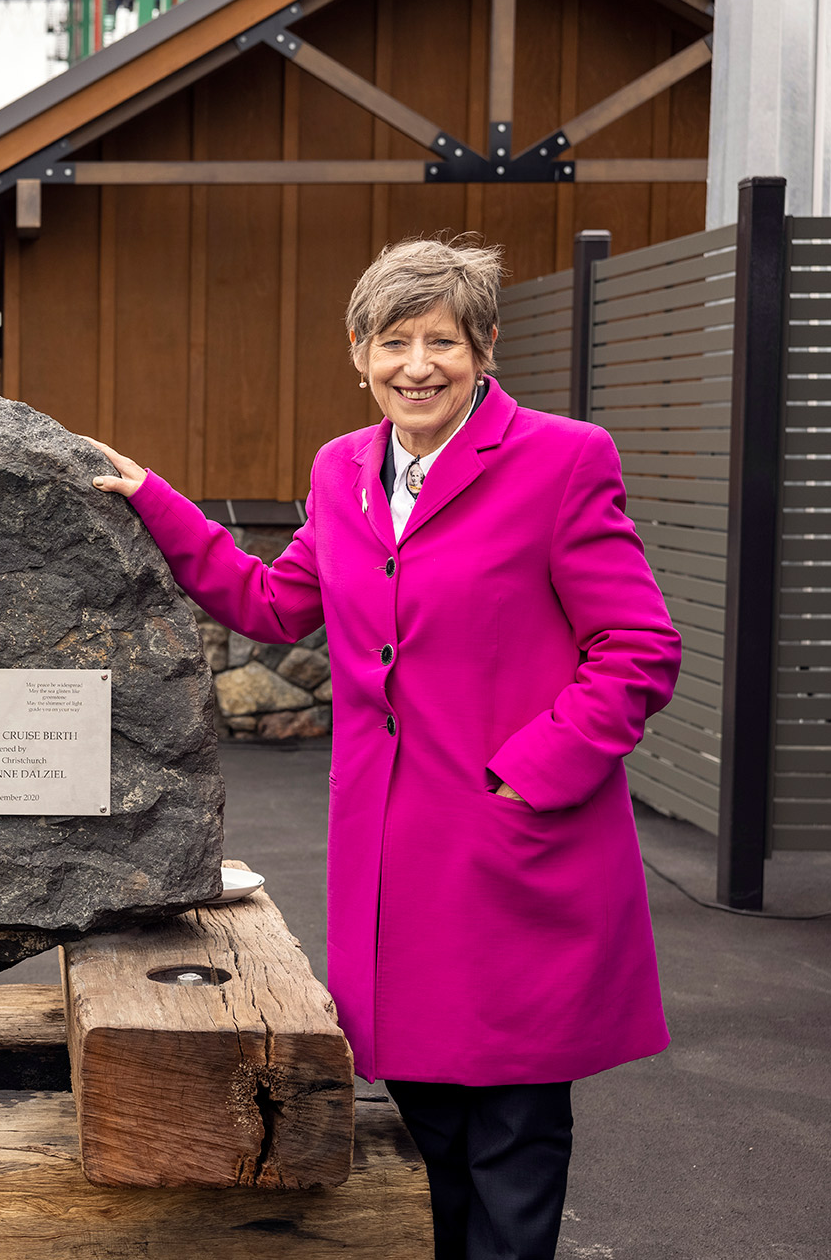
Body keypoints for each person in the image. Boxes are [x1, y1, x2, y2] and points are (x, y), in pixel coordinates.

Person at [86, 238, 681, 1260]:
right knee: (427, 1129)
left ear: (483, 348)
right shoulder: (342, 469)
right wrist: (154, 497)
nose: (417, 364)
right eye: (392, 340)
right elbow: (273, 603)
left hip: (512, 852)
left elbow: (636, 647)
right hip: (393, 863)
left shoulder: (561, 459)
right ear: (356, 354)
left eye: (441, 340)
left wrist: (524, 777)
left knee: (512, 1132)